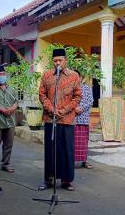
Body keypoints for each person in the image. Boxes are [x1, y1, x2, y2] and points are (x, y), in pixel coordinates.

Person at [39, 48, 82, 191]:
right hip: (51, 119)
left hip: (67, 119)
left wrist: (63, 110)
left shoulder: (74, 76)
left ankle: (66, 180)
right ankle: (49, 179)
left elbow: (77, 96)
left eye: (60, 60)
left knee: (67, 150)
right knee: (50, 150)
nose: (57, 63)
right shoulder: (46, 75)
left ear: (65, 61)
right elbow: (42, 94)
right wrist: (51, 109)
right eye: (55, 60)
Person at [74, 71, 93, 169]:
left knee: (83, 141)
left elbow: (90, 101)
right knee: (72, 142)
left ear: (81, 77)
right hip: (72, 119)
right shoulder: (69, 89)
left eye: (78, 77)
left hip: (84, 118)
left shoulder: (87, 88)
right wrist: (74, 108)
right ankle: (70, 161)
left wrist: (80, 108)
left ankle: (84, 161)